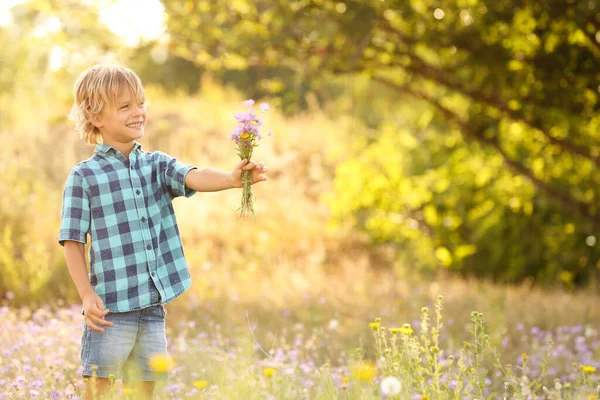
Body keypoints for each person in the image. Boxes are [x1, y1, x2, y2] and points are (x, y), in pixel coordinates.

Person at [58, 64, 268, 399]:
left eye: (140, 103)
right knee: (98, 392)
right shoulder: (85, 176)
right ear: (96, 117)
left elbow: (192, 176)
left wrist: (231, 180)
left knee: (145, 392)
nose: (138, 112)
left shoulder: (155, 164)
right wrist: (86, 294)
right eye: (124, 106)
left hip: (153, 310)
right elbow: (72, 241)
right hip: (110, 313)